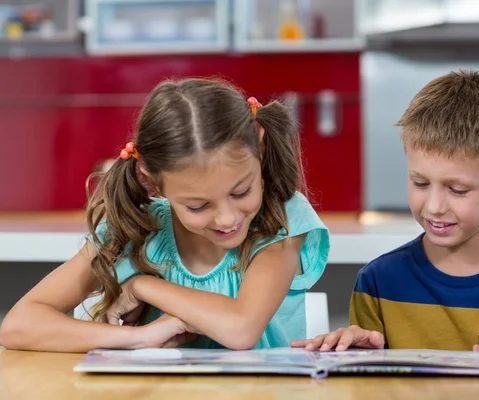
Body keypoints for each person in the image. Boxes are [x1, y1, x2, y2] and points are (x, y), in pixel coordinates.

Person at [0, 77, 330, 352]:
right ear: (152, 179)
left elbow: (241, 329)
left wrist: (142, 285)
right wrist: (137, 337)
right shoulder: (134, 228)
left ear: (258, 145)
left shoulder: (282, 219)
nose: (227, 218)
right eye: (198, 206)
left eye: (241, 192)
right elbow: (18, 326)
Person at [291, 70, 479, 359]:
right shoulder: (378, 282)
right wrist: (353, 362)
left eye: (457, 189)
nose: (433, 206)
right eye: (420, 183)